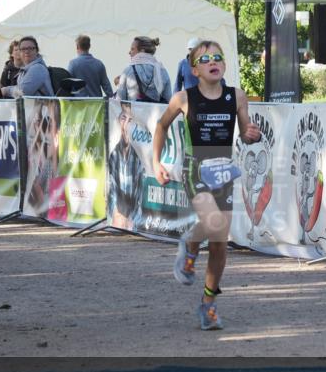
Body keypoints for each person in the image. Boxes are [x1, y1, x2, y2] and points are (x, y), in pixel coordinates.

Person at [152, 40, 262, 331]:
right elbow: (161, 126)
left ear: (224, 65)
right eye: (205, 59)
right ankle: (189, 246)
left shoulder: (236, 96)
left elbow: (245, 134)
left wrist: (251, 134)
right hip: (195, 167)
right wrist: (157, 162)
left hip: (223, 169)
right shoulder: (183, 98)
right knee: (212, 221)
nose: (213, 61)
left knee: (219, 244)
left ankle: (208, 303)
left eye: (218, 57)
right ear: (194, 69)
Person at [107, 102, 146, 231]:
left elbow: (140, 194)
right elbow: (111, 191)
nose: (126, 124)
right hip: (118, 218)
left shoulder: (138, 157)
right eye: (123, 118)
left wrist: (132, 219)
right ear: (119, 120)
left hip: (133, 219)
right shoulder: (114, 154)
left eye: (131, 120)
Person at [115, 36, 172, 103]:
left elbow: (119, 102)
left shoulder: (127, 71)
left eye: (132, 49)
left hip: (133, 113)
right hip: (156, 113)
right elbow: (168, 101)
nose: (129, 52)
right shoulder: (162, 71)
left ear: (142, 51)